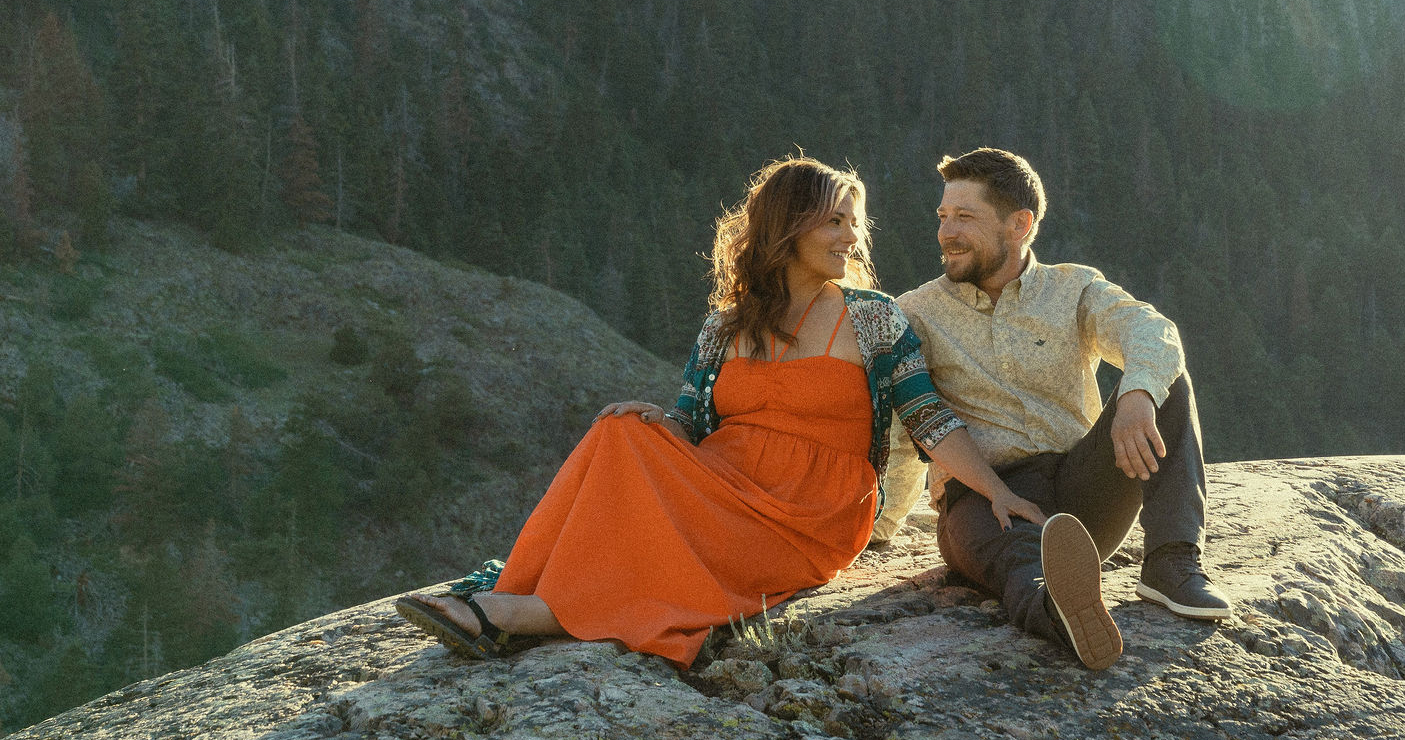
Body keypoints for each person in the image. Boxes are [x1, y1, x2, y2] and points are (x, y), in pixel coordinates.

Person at [395, 155, 1043, 667]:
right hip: (722, 479)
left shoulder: (872, 316)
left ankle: (519, 614)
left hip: (812, 507)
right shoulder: (727, 325)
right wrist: (662, 421)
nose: (853, 236)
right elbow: (689, 419)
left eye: (854, 222)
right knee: (618, 429)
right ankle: (516, 592)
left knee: (639, 498)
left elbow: (927, 416)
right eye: (835, 221)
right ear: (787, 228)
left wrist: (993, 489)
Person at [895, 147, 1232, 672]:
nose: (946, 232)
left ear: (1019, 225)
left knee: (1167, 383)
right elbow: (908, 419)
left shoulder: (1073, 288)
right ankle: (1063, 610)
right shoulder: (915, 312)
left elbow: (1152, 331)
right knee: (1021, 563)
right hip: (984, 497)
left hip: (1080, 490)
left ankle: (1171, 564)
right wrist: (884, 521)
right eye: (942, 216)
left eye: (965, 217)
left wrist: (1137, 395)